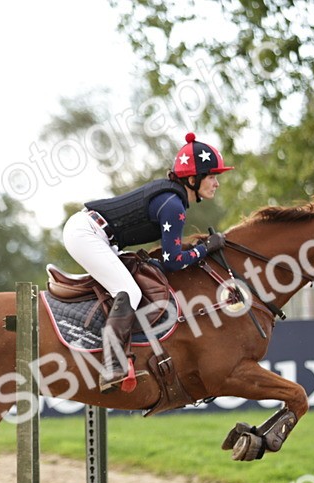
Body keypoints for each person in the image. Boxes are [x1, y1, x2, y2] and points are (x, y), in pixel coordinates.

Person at [62, 132, 233, 391]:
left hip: (96, 234)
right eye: (212, 176)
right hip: (86, 233)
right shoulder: (173, 205)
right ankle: (112, 365)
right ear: (192, 178)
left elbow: (166, 259)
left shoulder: (173, 199)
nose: (216, 183)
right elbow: (172, 261)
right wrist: (205, 249)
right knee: (128, 290)